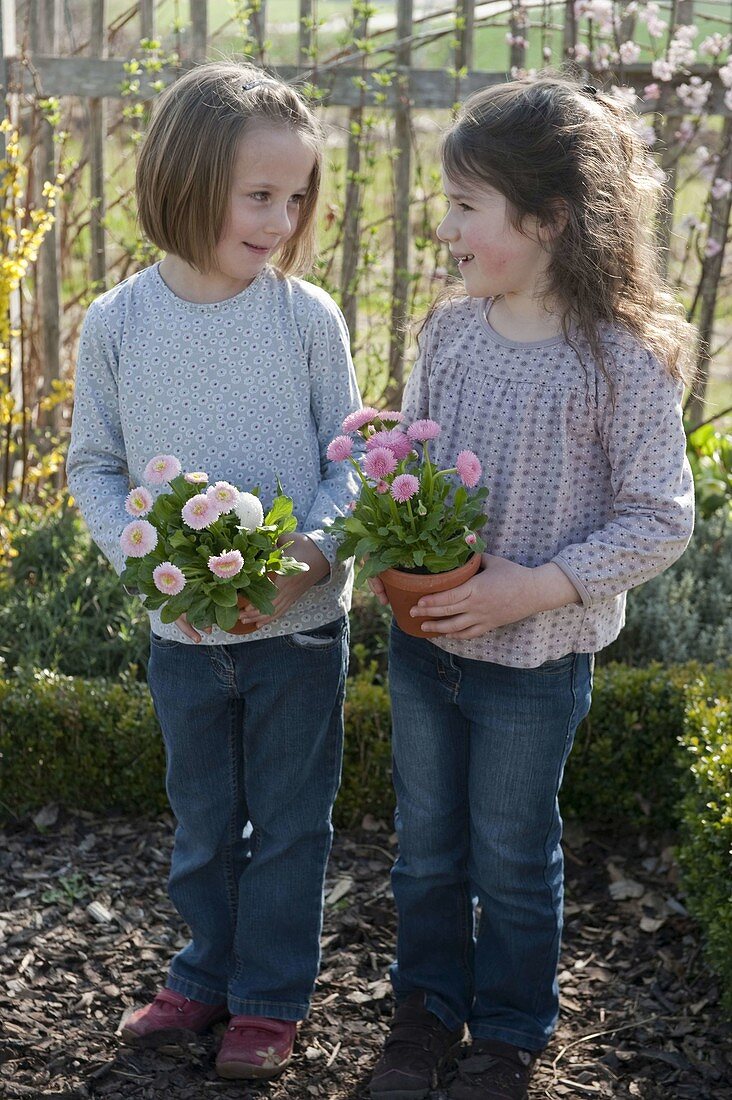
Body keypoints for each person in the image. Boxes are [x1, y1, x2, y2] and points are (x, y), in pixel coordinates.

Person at [367, 75, 694, 1100]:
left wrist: (540, 585)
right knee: (425, 850)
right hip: (425, 648)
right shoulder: (450, 332)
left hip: (533, 663)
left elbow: (661, 516)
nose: (447, 225)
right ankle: (424, 1010)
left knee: (510, 852)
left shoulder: (618, 363)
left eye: (467, 205)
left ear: (548, 220)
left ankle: (508, 1030)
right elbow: (410, 467)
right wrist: (384, 523)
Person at [67, 61, 361, 1082]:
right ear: (188, 180)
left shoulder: (305, 319)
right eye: (260, 195)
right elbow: (93, 466)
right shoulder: (118, 325)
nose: (282, 219)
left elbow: (352, 460)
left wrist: (312, 554)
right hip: (184, 636)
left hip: (299, 630)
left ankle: (270, 995)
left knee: (287, 822)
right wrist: (146, 562)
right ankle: (204, 969)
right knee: (201, 817)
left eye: (296, 197)